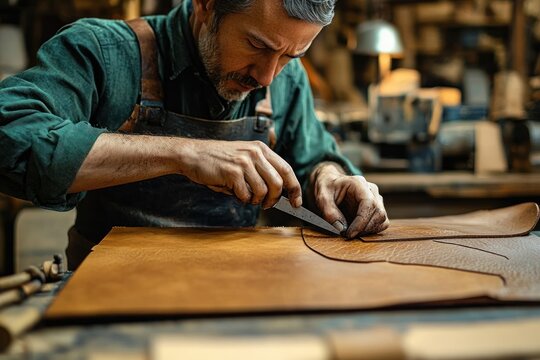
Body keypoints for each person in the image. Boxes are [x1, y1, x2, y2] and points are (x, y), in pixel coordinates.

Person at [0, 0, 389, 269]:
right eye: (256, 44)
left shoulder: (286, 83)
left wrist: (330, 176)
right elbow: (10, 133)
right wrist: (183, 154)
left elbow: (312, 158)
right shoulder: (102, 53)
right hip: (108, 304)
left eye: (290, 57)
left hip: (237, 295)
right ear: (207, 5)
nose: (267, 75)